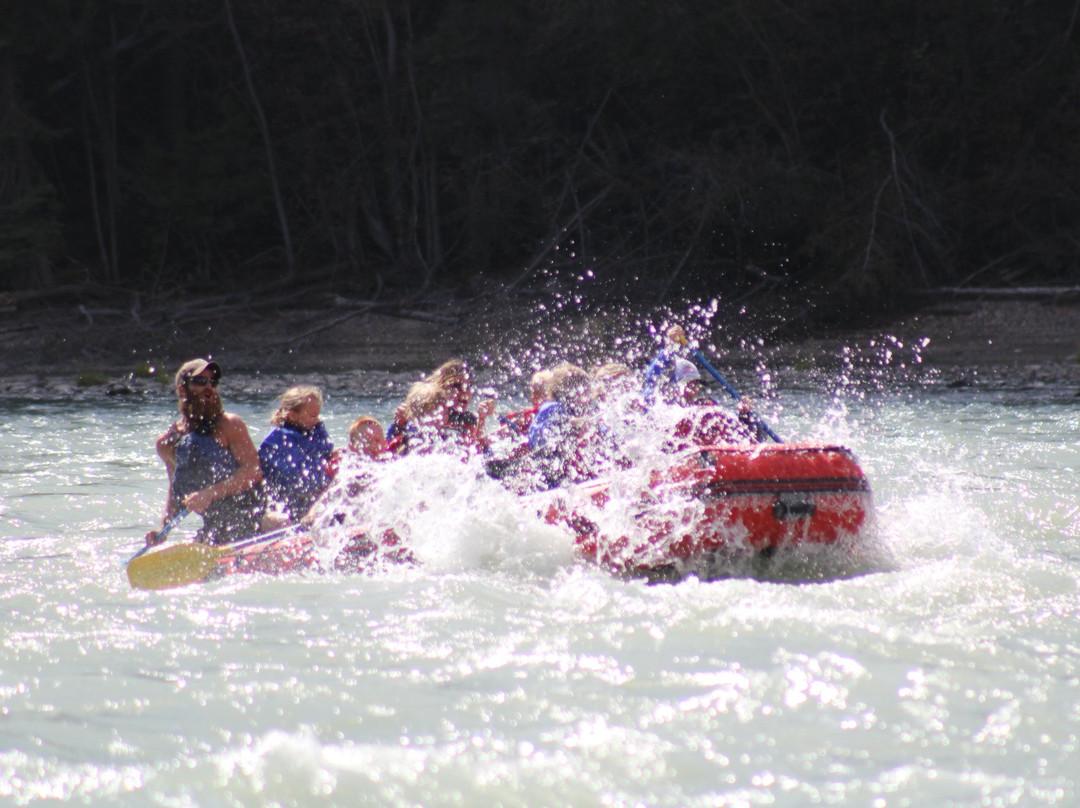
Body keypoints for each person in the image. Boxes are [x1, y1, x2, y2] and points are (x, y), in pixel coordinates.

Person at [145, 359, 264, 546]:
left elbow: (253, 470)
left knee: (278, 522)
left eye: (213, 382)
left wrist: (210, 494)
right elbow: (176, 491)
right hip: (216, 526)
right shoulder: (167, 443)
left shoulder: (230, 424)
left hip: (256, 515)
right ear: (182, 390)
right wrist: (164, 527)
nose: (209, 388)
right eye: (200, 382)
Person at [258, 385, 335, 522]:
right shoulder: (276, 441)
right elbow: (295, 482)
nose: (316, 419)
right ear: (293, 416)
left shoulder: (315, 432)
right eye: (312, 415)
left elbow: (326, 454)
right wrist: (325, 484)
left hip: (317, 501)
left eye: (317, 415)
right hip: (289, 508)